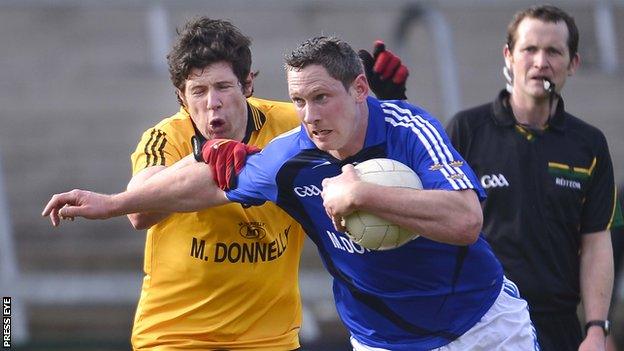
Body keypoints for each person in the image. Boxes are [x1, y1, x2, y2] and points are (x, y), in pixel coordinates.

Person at [43, 36, 539, 351]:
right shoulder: (288, 153)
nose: (309, 114)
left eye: (321, 97)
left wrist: (362, 194)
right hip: (378, 339)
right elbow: (210, 184)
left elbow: (465, 219)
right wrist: (111, 203)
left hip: (482, 326)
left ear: (360, 89)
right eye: (299, 101)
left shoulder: (410, 127)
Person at [97, 16, 407, 350]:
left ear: (247, 84)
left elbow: (361, 148)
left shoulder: (293, 126)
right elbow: (139, 211)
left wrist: (385, 105)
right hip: (177, 335)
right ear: (181, 97)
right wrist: (202, 156)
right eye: (198, 91)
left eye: (223, 87)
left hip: (269, 337)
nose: (212, 102)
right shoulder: (165, 137)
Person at [446, 5, 622, 351]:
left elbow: (597, 243)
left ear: (573, 64)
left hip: (558, 327)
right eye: (530, 49)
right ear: (509, 56)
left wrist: (596, 328)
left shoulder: (590, 144)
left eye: (554, 51)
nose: (541, 61)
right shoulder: (466, 130)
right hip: (480, 322)